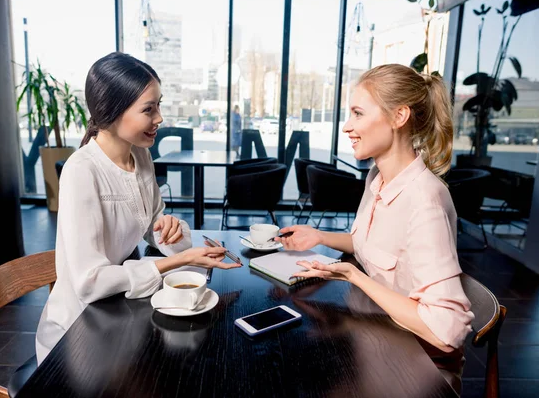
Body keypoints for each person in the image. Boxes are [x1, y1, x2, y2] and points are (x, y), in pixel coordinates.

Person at [276, 64, 474, 393]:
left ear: (399, 117)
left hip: (418, 365)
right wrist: (320, 236)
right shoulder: (378, 179)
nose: (347, 127)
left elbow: (447, 330)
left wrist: (354, 277)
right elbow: (374, 245)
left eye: (357, 113)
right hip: (376, 334)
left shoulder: (426, 201)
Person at [35, 52, 242, 364]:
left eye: (158, 105)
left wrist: (169, 229)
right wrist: (181, 260)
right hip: (77, 333)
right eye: (149, 109)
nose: (159, 118)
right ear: (113, 112)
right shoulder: (82, 170)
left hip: (116, 315)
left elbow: (152, 226)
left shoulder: (141, 156)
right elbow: (88, 283)